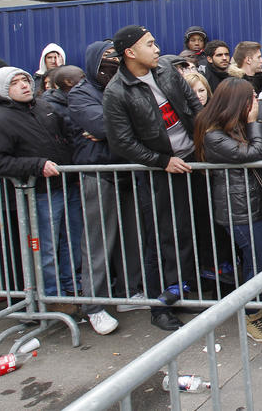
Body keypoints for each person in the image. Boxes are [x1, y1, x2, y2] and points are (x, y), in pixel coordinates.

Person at [102, 25, 203, 331]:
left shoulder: (167, 72)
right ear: (130, 53)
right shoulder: (117, 91)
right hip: (159, 172)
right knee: (162, 238)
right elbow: (121, 142)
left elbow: (194, 107)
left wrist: (203, 143)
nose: (157, 49)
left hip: (190, 162)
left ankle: (180, 292)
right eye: (149, 44)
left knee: (186, 232)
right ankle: (160, 305)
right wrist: (161, 161)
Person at [194, 77, 262, 342]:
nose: (256, 102)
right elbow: (254, 153)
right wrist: (252, 122)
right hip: (238, 210)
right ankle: (251, 313)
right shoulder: (214, 134)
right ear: (238, 102)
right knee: (258, 260)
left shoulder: (232, 127)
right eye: (251, 98)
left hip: (255, 203)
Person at [0, 67, 82, 313]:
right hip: (40, 193)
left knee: (72, 241)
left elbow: (63, 139)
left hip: (65, 186)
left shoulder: (43, 107)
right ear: (3, 89)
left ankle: (72, 287)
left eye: (25, 79)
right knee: (46, 248)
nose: (24, 85)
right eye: (15, 83)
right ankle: (52, 296)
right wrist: (36, 166)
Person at [69, 40, 145, 332]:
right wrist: (123, 128)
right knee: (98, 244)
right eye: (107, 61)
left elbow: (144, 121)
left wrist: (121, 128)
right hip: (98, 174)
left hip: (125, 172)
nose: (113, 66)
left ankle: (130, 291)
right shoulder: (81, 93)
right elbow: (103, 127)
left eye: (117, 59)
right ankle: (94, 305)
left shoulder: (122, 87)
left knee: (131, 238)